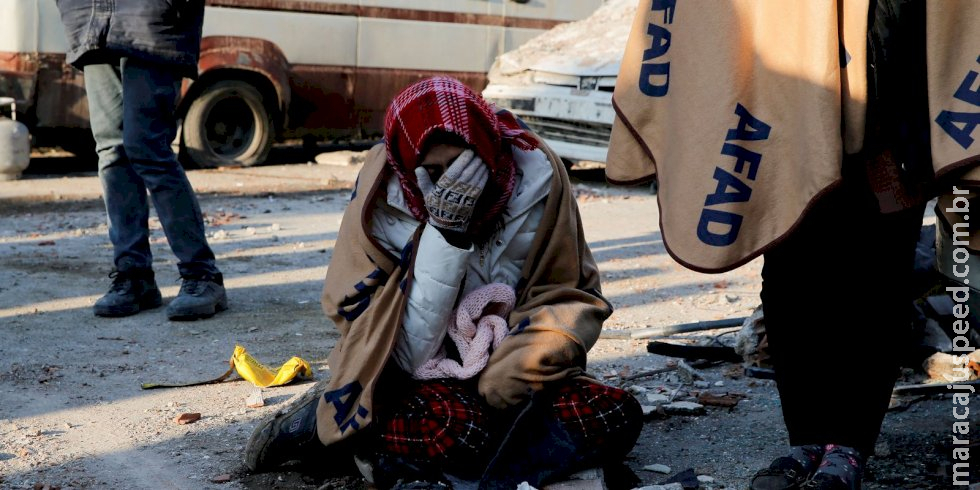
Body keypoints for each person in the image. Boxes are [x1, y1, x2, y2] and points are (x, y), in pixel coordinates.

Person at [606, 1, 977, 489]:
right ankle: (804, 439)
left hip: (895, 125)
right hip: (790, 116)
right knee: (789, 279)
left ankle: (849, 445)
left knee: (877, 283)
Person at [243, 77, 642, 488]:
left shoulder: (537, 175)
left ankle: (468, 471)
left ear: (488, 148)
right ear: (407, 166)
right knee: (455, 431)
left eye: (466, 164)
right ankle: (338, 432)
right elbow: (399, 351)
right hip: (420, 375)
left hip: (516, 369)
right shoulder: (382, 201)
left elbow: (569, 294)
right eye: (435, 172)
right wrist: (445, 233)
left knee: (613, 412)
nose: (456, 184)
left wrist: (519, 365)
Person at [55, 1, 228, 320]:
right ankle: (134, 276)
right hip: (91, 20)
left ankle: (202, 275)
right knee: (111, 150)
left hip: (151, 18)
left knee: (147, 147)